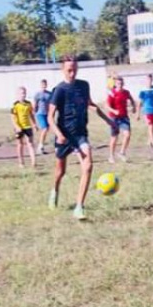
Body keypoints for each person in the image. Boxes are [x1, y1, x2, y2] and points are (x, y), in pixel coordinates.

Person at [48, 57, 116, 220]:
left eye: (74, 69)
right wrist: (58, 134)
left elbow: (91, 104)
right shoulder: (59, 90)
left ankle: (79, 207)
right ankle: (54, 191)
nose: (72, 73)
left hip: (80, 134)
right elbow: (50, 117)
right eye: (69, 70)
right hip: (64, 136)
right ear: (62, 70)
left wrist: (108, 120)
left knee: (88, 166)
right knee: (60, 171)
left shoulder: (84, 85)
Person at [106, 76, 136, 163]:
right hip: (114, 118)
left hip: (124, 117)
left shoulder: (126, 92)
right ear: (115, 84)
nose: (120, 85)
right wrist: (114, 111)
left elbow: (131, 99)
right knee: (114, 137)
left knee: (127, 135)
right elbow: (106, 106)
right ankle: (111, 156)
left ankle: (122, 152)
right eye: (118, 83)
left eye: (122, 83)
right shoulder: (112, 93)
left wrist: (133, 107)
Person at [11, 86, 37, 168]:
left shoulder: (28, 104)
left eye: (24, 93)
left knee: (30, 143)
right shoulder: (15, 105)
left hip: (28, 127)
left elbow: (31, 115)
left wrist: (34, 124)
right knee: (20, 144)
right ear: (17, 94)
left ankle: (33, 162)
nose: (23, 95)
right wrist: (17, 127)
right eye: (21, 93)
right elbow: (13, 118)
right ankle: (21, 162)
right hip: (19, 127)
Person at [33, 79, 52, 154]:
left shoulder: (49, 94)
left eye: (45, 85)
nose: (44, 86)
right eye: (42, 85)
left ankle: (42, 146)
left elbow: (51, 104)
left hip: (47, 114)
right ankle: (40, 147)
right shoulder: (37, 94)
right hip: (40, 113)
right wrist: (34, 114)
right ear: (40, 85)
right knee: (45, 128)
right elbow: (34, 105)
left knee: (47, 129)